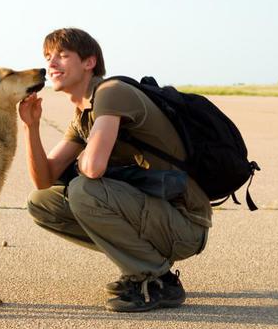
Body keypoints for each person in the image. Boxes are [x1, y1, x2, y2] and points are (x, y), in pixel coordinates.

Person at [18, 27, 212, 312]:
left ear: (89, 62)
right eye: (48, 56)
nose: (52, 63)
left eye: (62, 54)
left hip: (185, 223)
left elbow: (93, 168)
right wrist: (31, 127)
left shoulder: (111, 93)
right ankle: (146, 262)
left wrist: (83, 161)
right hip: (158, 216)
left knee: (84, 190)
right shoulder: (83, 115)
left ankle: (155, 280)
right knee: (42, 203)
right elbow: (43, 181)